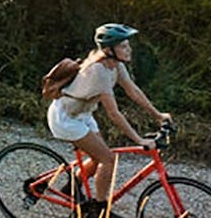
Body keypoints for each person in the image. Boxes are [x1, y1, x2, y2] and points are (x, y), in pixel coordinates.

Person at [43, 23, 171, 218]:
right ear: (109, 50)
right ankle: (100, 208)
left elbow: (133, 91)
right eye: (123, 46)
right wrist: (139, 140)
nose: (129, 49)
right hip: (66, 119)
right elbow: (114, 113)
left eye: (128, 45)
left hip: (83, 115)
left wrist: (158, 115)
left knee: (98, 157)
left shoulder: (116, 65)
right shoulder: (99, 72)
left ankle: (72, 187)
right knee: (108, 159)